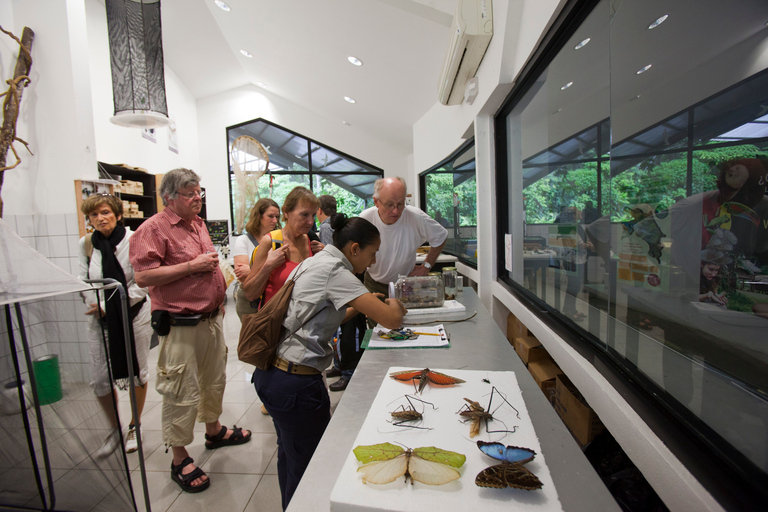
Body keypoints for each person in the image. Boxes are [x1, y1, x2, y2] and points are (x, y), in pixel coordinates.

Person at [252, 213, 407, 510]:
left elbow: (322, 317)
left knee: (291, 455)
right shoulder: (337, 271)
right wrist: (394, 301)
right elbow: (393, 318)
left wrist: (364, 306)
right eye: (372, 254)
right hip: (295, 385)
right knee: (311, 468)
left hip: (272, 374)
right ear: (354, 249)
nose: (373, 262)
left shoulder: (316, 261)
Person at [129, 168, 251, 493]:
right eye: (189, 194)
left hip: (210, 320)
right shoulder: (152, 229)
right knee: (181, 390)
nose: (197, 198)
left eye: (199, 192)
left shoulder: (197, 223)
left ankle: (214, 431)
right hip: (181, 325)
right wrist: (190, 267)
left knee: (214, 381)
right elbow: (143, 277)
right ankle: (179, 458)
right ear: (169, 197)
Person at [78, 193, 151, 457]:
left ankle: (134, 425)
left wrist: (111, 306)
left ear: (118, 214)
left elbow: (142, 281)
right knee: (99, 379)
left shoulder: (134, 240)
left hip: (133, 315)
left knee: (136, 372)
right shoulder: (87, 245)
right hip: (99, 320)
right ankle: (114, 428)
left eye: (105, 212)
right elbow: (81, 278)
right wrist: (95, 304)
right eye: (94, 215)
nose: (100, 218)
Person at [359, 177, 448, 295]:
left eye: (400, 204)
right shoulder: (365, 219)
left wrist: (426, 266)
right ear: (376, 202)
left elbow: (441, 236)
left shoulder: (416, 217)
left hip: (406, 285)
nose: (396, 211)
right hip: (373, 284)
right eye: (389, 205)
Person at [242, 186, 323, 307]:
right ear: (286, 212)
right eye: (304, 215)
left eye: (313, 215)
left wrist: (325, 257)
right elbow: (250, 294)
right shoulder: (271, 241)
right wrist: (268, 267)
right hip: (276, 322)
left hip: (307, 321)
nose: (310, 222)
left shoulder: (312, 241)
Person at [232, 198, 281, 320]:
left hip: (273, 296)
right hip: (250, 300)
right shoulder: (243, 240)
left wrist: (253, 271)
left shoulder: (279, 239)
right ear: (259, 216)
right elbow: (242, 275)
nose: (274, 220)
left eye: (277, 217)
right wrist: (271, 268)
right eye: (270, 216)